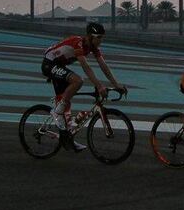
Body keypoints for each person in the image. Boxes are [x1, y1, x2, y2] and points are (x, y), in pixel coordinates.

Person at [41, 22, 126, 151]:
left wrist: (116, 84)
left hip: (59, 66)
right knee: (78, 81)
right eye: (99, 37)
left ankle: (68, 139)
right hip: (49, 63)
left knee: (66, 101)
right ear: (90, 36)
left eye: (102, 37)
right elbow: (86, 67)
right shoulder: (78, 42)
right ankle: (56, 112)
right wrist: (99, 85)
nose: (100, 41)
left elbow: (104, 66)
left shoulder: (93, 47)